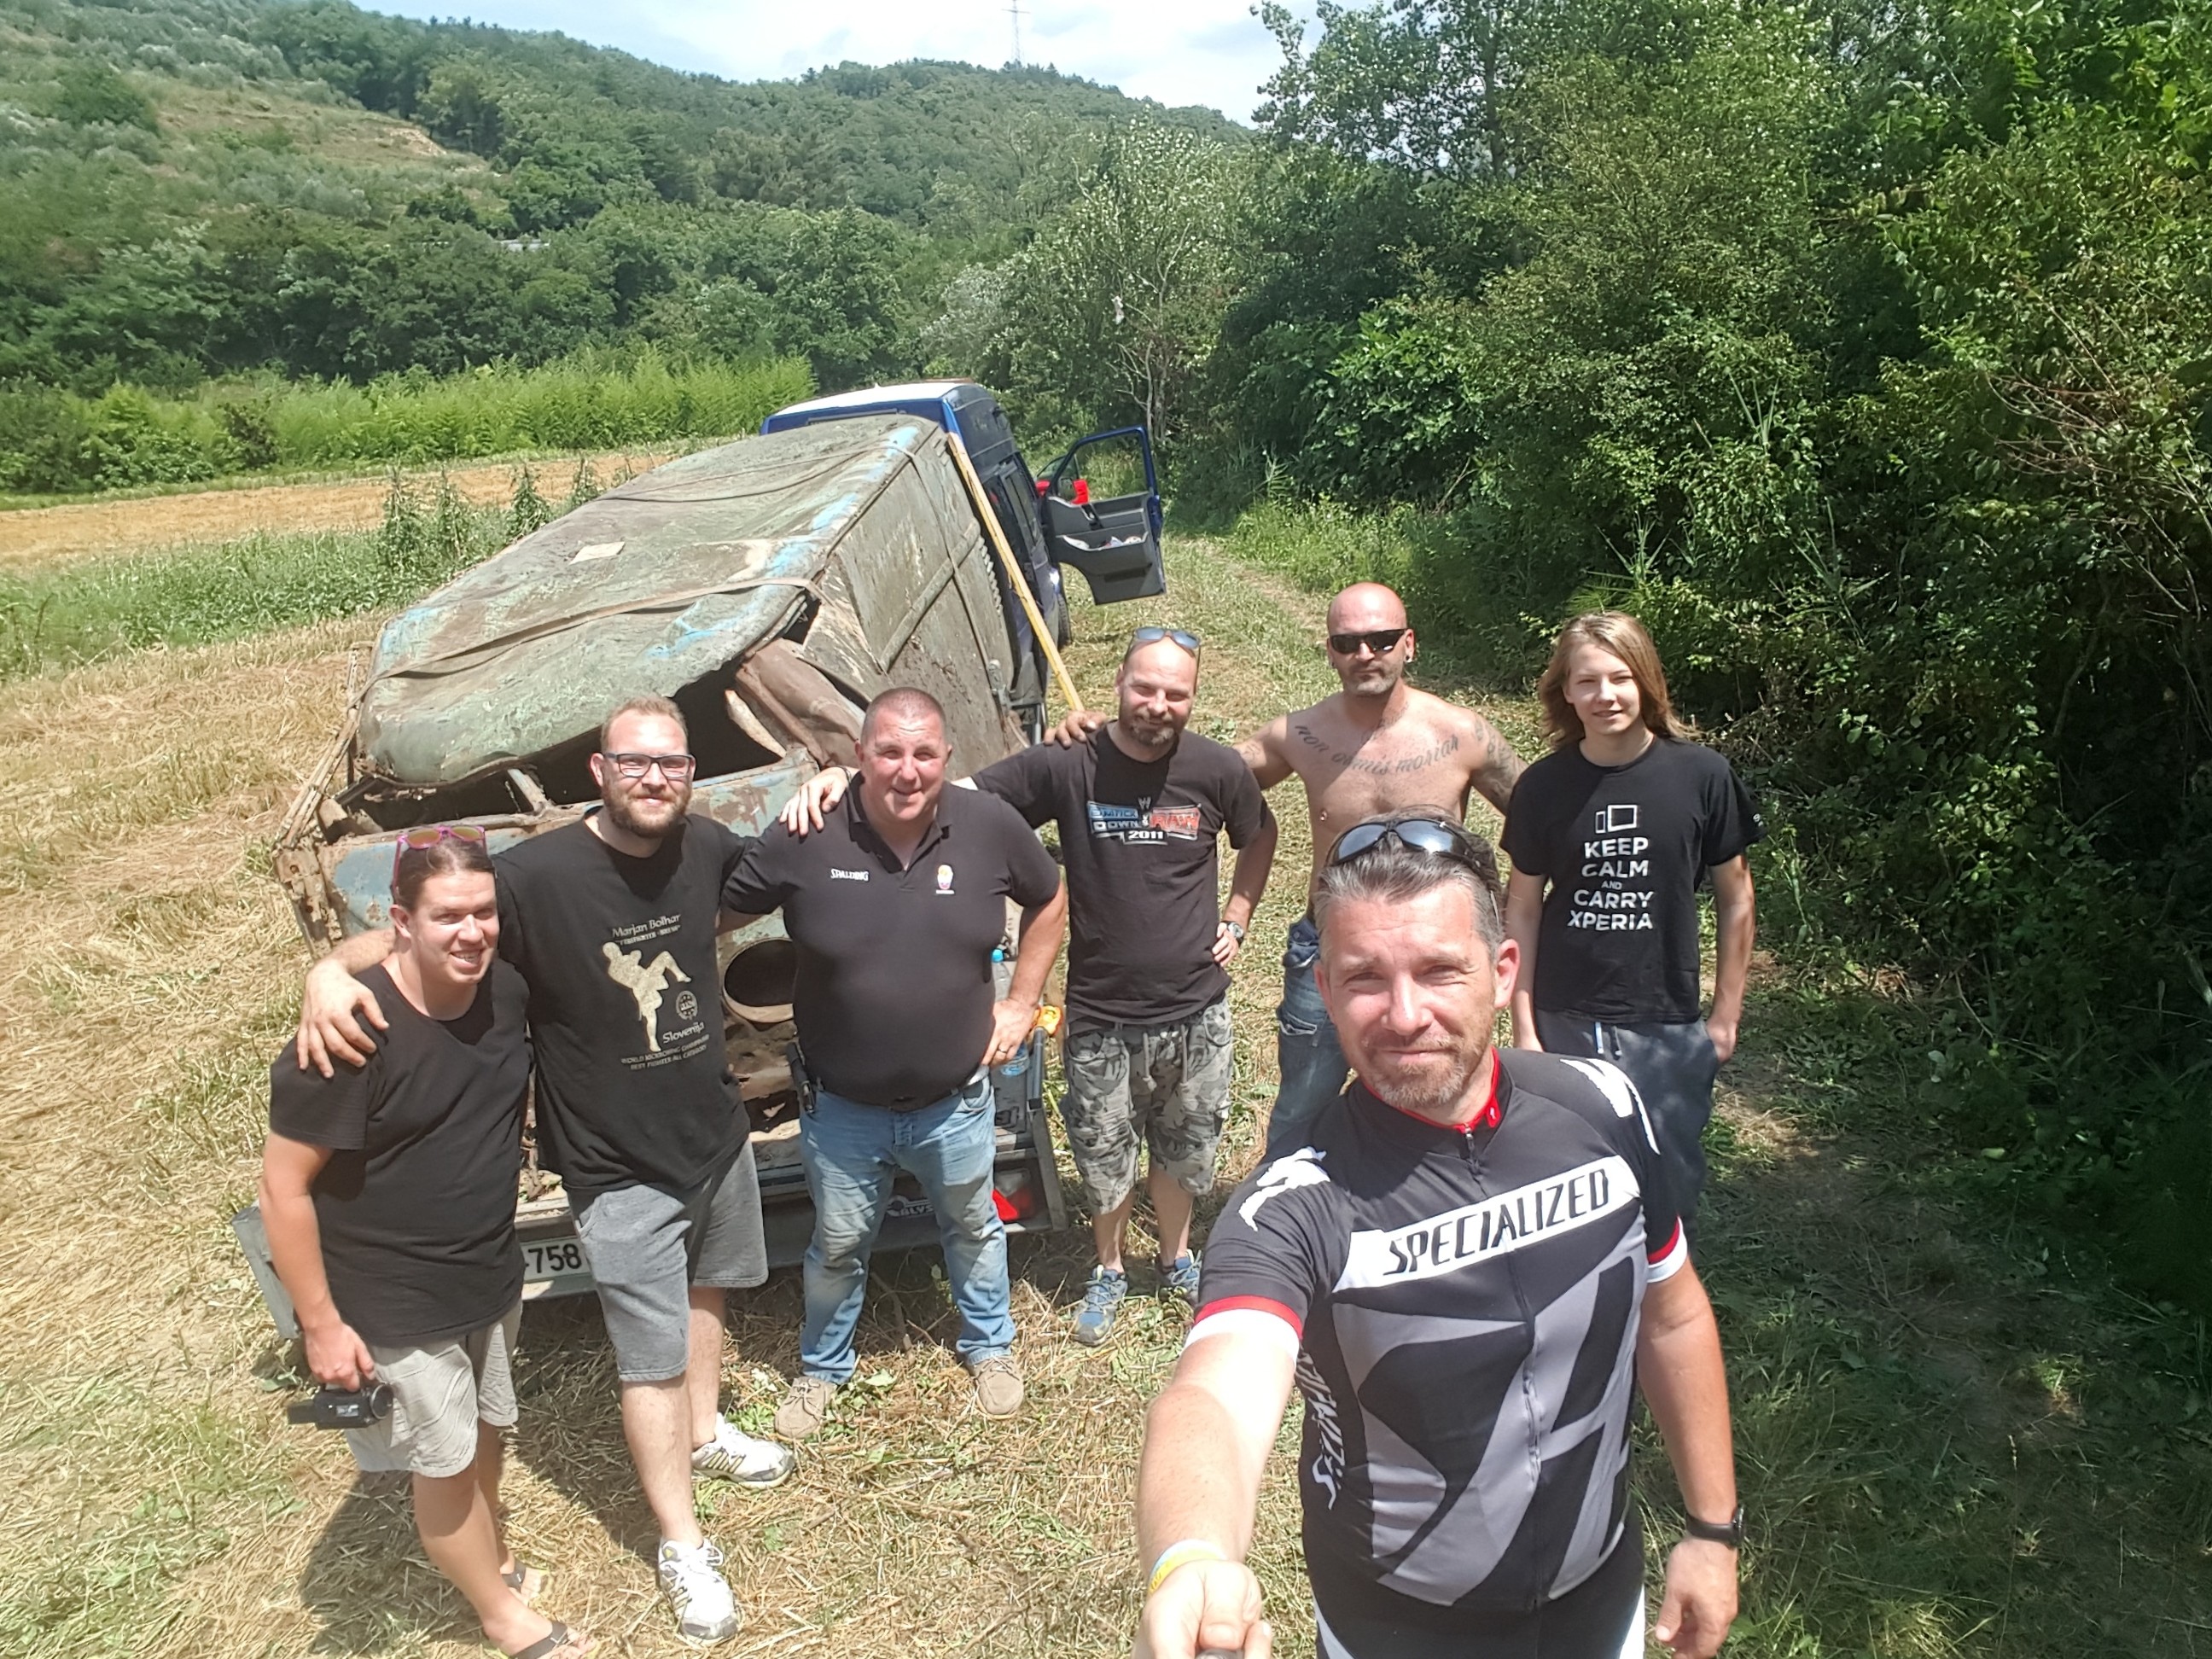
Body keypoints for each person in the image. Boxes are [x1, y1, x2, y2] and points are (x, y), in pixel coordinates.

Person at [1132, 813, 1741, 1659]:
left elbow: (1671, 1317)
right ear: (1325, 990)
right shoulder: (1293, 1206)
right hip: (1396, 1628)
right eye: (1365, 979)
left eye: (1439, 970)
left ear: (1502, 972)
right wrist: (1192, 1558)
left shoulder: (1601, 1106)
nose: (1405, 1014)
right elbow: (1216, 1398)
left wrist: (1713, 1529)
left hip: (1602, 1599)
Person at [294, 697, 792, 1647]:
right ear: (599, 770)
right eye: (635, 762)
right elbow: (426, 934)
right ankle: (682, 1544)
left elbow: (771, 878)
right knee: (648, 1358)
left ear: (691, 773)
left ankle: (704, 1432)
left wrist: (835, 784)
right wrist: (330, 971)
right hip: (617, 1162)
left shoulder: (702, 845)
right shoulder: (535, 876)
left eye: (673, 763)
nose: (655, 779)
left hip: (712, 1134)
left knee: (709, 1290)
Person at [783, 627, 1278, 1343]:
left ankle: (1176, 1258)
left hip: (1197, 1007)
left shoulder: (1217, 768)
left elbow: (1258, 833)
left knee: (1185, 1147)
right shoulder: (1068, 763)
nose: (1158, 704)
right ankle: (1110, 1269)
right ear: (1118, 683)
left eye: (1176, 693)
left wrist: (1239, 913)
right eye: (1145, 687)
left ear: (1193, 697)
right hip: (1102, 1010)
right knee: (1104, 1155)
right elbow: (953, 796)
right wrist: (843, 781)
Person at [261, 829, 592, 1659]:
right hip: (394, 1297)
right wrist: (322, 1327)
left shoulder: (503, 990)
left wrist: (329, 961)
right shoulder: (346, 1038)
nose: (471, 932)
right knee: (442, 1465)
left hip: (487, 1269)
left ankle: (494, 1551)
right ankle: (501, 1617)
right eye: (447, 916)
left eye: (483, 911)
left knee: (486, 1430)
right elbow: (282, 1191)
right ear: (401, 921)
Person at [1053, 584, 1524, 1159]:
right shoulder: (1300, 735)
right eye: (1347, 642)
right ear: (1329, 651)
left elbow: (1544, 814)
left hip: (1436, 957)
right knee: (1304, 1103)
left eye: (1381, 640)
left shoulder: (1461, 735)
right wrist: (1104, 737)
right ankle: (1285, 1200)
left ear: (1409, 643)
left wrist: (1511, 907)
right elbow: (1188, 770)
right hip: (1328, 949)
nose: (1365, 654)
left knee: (1439, 1091)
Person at [724, 688, 1068, 1438]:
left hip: (957, 1101)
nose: (906, 771)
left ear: (947, 757)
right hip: (843, 1108)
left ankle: (990, 1346)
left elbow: (1050, 898)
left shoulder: (988, 825)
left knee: (973, 1227)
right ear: (858, 756)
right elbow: (716, 906)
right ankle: (823, 1368)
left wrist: (1022, 1002)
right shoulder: (809, 831)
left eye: (923, 754)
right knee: (838, 1244)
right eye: (888, 752)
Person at [1502, 611, 1761, 1232]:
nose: (1605, 695)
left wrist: (1725, 1017)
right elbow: (1523, 907)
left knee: (1667, 1187)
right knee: (1567, 1180)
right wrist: (1524, 1025)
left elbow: (1737, 898)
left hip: (1665, 1018)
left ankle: (1663, 1288)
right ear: (1566, 692)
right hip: (1564, 1016)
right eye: (1587, 681)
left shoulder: (1702, 776)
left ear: (1646, 682)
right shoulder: (1543, 786)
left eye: (1620, 678)